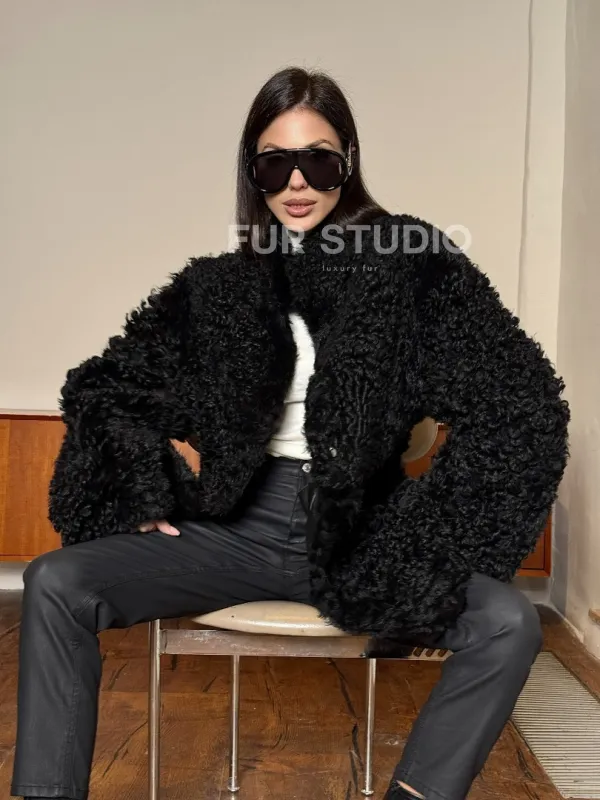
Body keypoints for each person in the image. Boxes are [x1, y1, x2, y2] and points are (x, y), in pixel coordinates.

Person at [11, 66, 570, 800]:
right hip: (240, 531)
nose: (298, 181)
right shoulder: (221, 286)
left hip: (366, 535)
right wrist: (139, 483)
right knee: (56, 581)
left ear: (348, 162)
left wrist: (434, 534)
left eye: (319, 160)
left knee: (508, 622)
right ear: (254, 172)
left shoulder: (411, 266)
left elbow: (522, 403)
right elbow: (107, 387)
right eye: (276, 162)